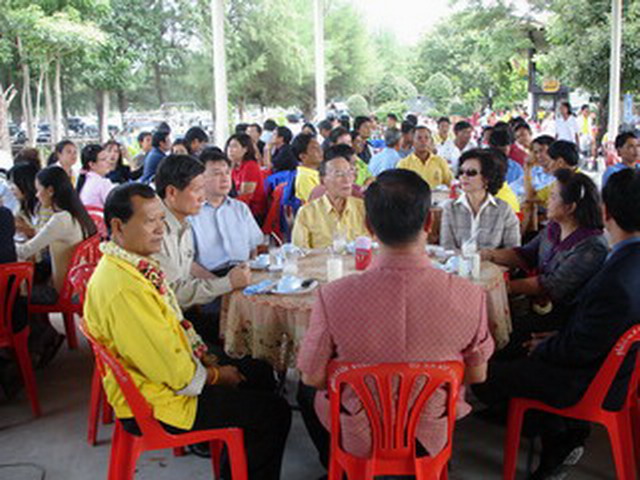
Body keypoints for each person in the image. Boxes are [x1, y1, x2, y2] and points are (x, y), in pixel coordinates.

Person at [85, 183, 291, 480]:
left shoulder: (131, 265)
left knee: (258, 372)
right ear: (118, 226)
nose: (160, 229)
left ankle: (237, 464)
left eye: (161, 219)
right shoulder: (123, 288)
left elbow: (171, 336)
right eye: (150, 221)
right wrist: (217, 375)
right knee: (274, 412)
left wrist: (208, 360)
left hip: (164, 379)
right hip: (156, 402)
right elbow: (173, 372)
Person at [297, 169, 494, 468]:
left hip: (359, 435)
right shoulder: (471, 296)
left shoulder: (332, 297)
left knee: (307, 392)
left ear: (368, 226)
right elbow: (477, 375)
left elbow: (312, 377)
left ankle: (339, 466)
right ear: (429, 222)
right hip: (430, 434)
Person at [474, 168, 640, 480]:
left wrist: (546, 344)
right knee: (508, 344)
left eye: (553, 196)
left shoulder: (609, 271)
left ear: (606, 211)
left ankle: (561, 441)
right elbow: (591, 332)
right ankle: (539, 424)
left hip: (588, 378)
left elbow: (579, 346)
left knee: (482, 371)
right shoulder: (626, 261)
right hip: (596, 355)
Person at [482, 170, 608, 336]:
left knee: (494, 326)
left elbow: (552, 286)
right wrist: (487, 254)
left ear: (570, 207)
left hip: (564, 318)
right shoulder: (554, 227)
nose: (547, 201)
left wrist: (501, 288)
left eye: (553, 197)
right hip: (538, 303)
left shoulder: (590, 246)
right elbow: (527, 255)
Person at [152, 154, 252, 316]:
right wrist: (226, 283)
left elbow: (184, 279)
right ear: (171, 192)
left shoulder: (183, 224)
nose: (203, 197)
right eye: (197, 190)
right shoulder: (155, 232)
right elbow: (171, 294)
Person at [16, 166, 97, 304]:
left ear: (50, 191)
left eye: (38, 190)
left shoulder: (60, 219)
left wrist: (6, 243)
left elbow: (24, 251)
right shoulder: (76, 213)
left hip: (60, 291)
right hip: (76, 286)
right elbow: (44, 235)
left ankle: (32, 318)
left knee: (12, 293)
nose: (36, 195)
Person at [189, 149, 263, 275]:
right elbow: (188, 263)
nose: (225, 179)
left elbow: (255, 246)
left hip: (243, 271)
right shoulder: (191, 214)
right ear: (200, 178)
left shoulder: (240, 208)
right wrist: (219, 283)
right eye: (217, 174)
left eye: (227, 173)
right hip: (209, 277)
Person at [441, 149, 521, 250]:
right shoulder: (450, 208)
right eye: (461, 172)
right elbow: (447, 248)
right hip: (457, 260)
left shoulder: (504, 210)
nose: (463, 177)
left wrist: (484, 257)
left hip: (493, 261)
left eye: (471, 172)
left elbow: (512, 250)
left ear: (487, 178)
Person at [292, 149, 367, 249]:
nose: (347, 179)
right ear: (322, 180)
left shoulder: (363, 208)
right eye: (339, 174)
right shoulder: (307, 213)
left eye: (350, 172)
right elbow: (299, 253)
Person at [226, 133, 268, 222]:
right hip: (240, 208)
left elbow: (245, 197)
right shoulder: (235, 166)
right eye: (229, 146)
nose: (230, 150)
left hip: (252, 213)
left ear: (245, 149)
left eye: (234, 146)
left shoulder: (250, 166)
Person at [77, 144, 115, 209]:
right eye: (103, 159)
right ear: (92, 164)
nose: (108, 161)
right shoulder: (102, 183)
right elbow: (115, 207)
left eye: (107, 158)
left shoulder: (85, 180)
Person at [8, 162, 40, 238]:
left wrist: (25, 229)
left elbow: (46, 237)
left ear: (26, 182)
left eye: (13, 183)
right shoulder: (21, 209)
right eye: (9, 183)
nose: (11, 188)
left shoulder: (45, 207)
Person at [292, 133, 323, 203]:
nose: (320, 151)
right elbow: (318, 205)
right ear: (303, 156)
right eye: (315, 148)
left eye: (319, 147)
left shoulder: (316, 172)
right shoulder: (304, 178)